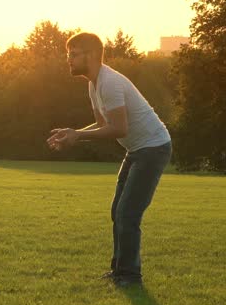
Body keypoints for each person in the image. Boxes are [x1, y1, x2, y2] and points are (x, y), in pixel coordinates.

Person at [47, 32, 172, 287]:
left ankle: (130, 276)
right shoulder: (94, 84)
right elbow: (103, 124)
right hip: (137, 150)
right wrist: (72, 134)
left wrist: (77, 135)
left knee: (128, 213)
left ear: (91, 55)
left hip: (153, 148)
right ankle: (119, 271)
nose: (68, 60)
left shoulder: (110, 83)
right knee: (118, 211)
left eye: (73, 54)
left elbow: (120, 128)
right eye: (68, 55)